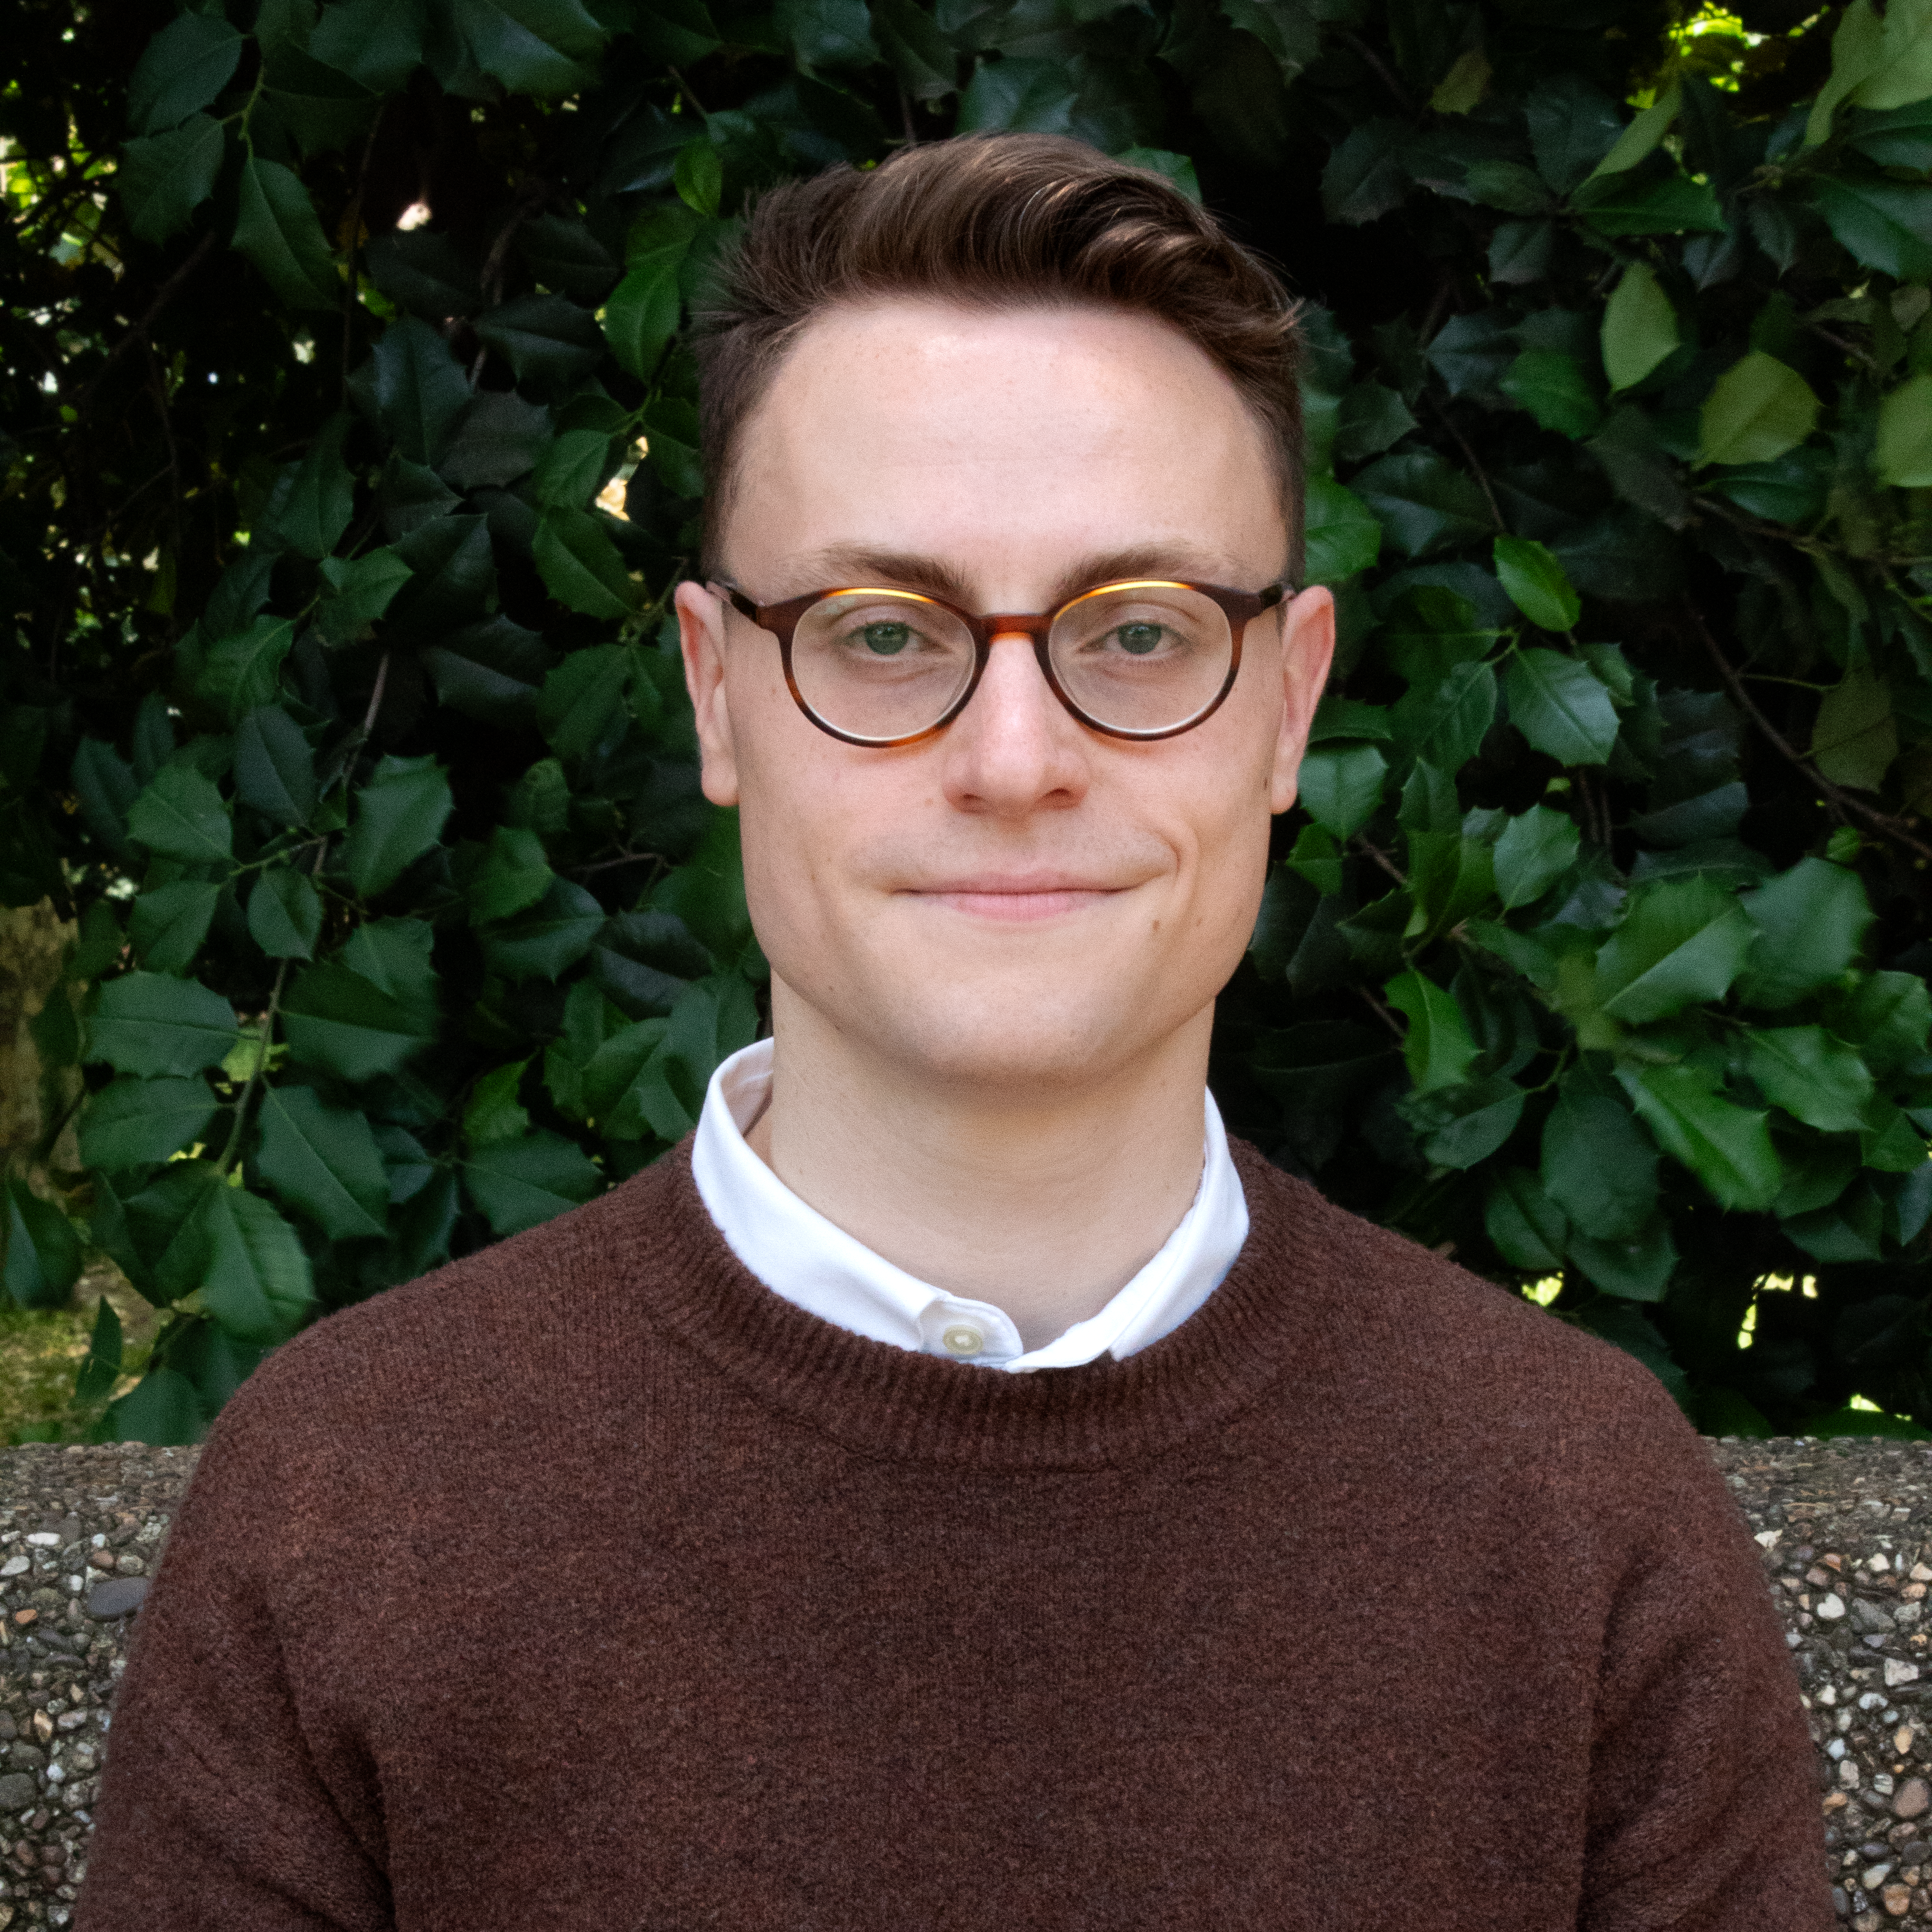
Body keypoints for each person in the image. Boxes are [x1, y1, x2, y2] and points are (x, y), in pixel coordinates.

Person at [78, 133, 1827, 1930]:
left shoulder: (1576, 1514)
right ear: (717, 692)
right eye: (886, 634)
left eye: (1139, 634)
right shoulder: (351, 1502)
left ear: (1290, 707)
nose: (1013, 760)